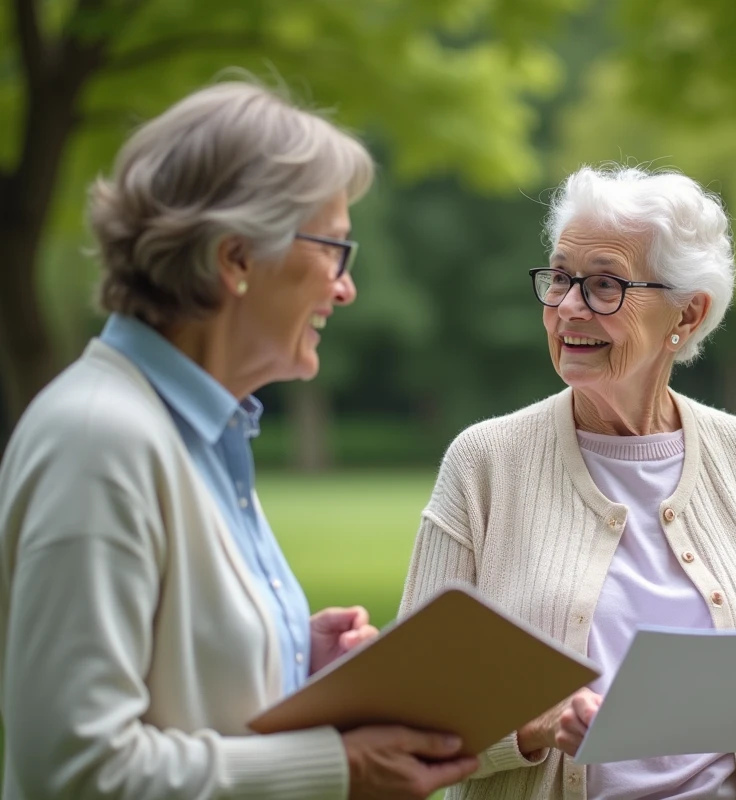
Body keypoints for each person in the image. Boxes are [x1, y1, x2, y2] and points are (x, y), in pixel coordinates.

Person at [0, 81, 477, 800]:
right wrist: (340, 766)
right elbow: (74, 769)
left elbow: (173, 683)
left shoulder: (196, 432)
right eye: (334, 250)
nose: (344, 288)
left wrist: (285, 657)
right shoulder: (98, 440)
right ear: (236, 259)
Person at [399, 165, 736, 799]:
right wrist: (536, 726)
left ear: (688, 312)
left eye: (603, 285)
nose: (568, 307)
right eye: (560, 278)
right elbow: (415, 696)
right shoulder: (484, 462)